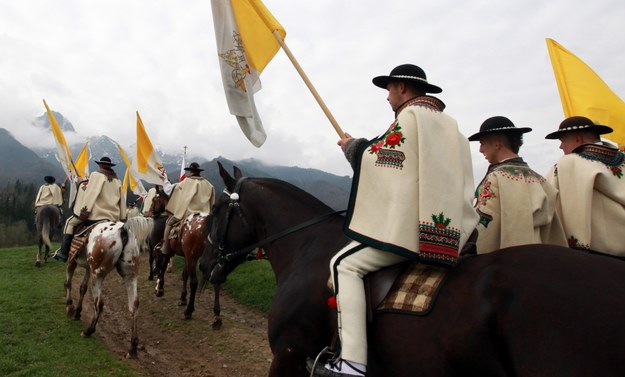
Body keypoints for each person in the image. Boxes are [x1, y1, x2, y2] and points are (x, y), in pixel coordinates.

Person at [308, 64, 479, 377]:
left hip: (413, 231)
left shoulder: (411, 117)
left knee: (343, 265)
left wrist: (354, 148)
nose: (387, 97)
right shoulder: (451, 126)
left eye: (389, 89)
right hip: (447, 233)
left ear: (402, 87)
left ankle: (352, 363)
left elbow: (387, 160)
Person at [469, 116, 568, 253]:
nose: (480, 150)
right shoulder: (539, 179)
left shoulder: (496, 178)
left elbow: (486, 224)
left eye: (482, 143)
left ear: (497, 145)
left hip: (508, 259)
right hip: (540, 254)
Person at [544, 115, 625, 256]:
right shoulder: (623, 158)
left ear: (577, 139)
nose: (561, 146)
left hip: (600, 255)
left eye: (563, 141)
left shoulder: (569, 163)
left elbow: (545, 196)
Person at [53, 156, 126, 262]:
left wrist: (84, 212)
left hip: (97, 215)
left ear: (100, 165)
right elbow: (122, 200)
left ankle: (64, 253)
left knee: (70, 222)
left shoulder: (96, 175)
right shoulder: (117, 180)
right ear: (110, 166)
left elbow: (91, 194)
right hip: (113, 217)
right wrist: (123, 217)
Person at [160, 162, 215, 255]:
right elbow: (212, 203)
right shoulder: (209, 185)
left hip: (187, 213)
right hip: (205, 215)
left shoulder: (185, 182)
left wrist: (164, 179)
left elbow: (169, 190)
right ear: (199, 172)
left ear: (190, 171)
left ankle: (165, 248)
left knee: (169, 223)